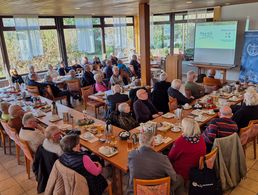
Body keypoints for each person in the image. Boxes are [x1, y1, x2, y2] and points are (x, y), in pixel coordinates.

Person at [128, 126, 185, 195]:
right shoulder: (163, 158)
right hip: (159, 192)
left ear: (139, 142)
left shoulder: (132, 155)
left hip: (137, 191)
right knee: (179, 179)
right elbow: (173, 178)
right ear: (153, 143)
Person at [168, 118, 206, 182]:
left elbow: (170, 158)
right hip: (196, 167)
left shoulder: (180, 141)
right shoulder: (201, 138)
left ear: (186, 129)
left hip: (183, 171)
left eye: (182, 126)